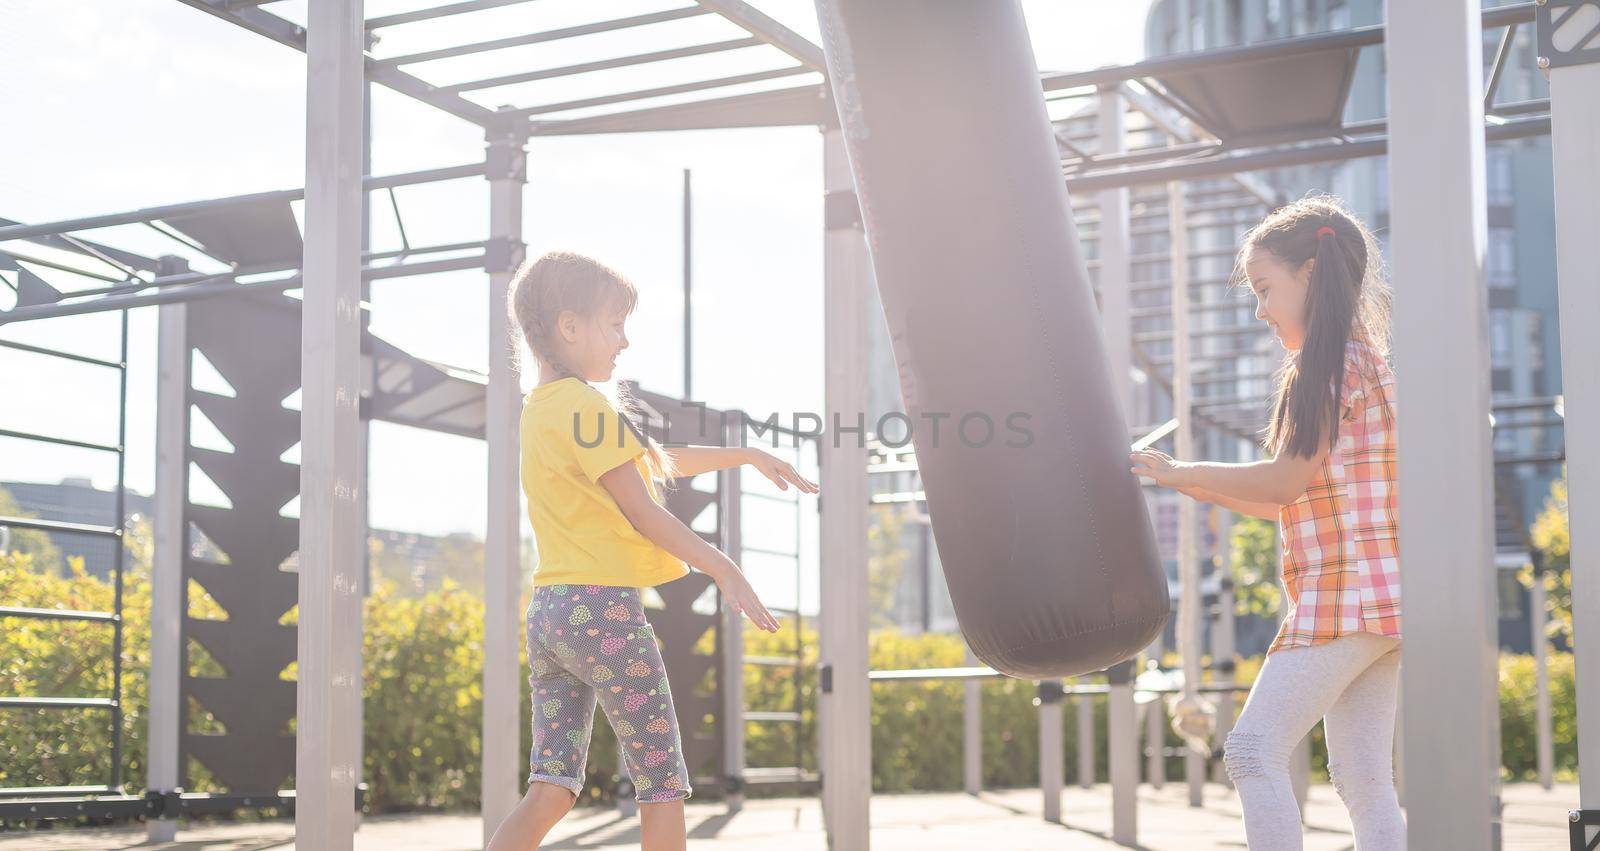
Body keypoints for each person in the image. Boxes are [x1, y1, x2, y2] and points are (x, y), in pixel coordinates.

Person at [486, 250, 817, 851]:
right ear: (569, 326)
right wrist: (722, 565)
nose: (624, 340)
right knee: (661, 783)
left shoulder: (542, 410)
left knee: (552, 787)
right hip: (604, 614)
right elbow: (643, 509)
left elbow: (652, 465)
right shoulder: (586, 404)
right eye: (614, 324)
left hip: (552, 614)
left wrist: (743, 454)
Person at [1129, 196, 1403, 849]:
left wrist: (1181, 468)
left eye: (1264, 288)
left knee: (1252, 750)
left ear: (1309, 273)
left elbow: (1281, 481)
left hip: (1343, 600)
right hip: (1383, 603)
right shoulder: (1368, 364)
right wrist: (1187, 480)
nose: (1259, 309)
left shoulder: (1323, 367)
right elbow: (1292, 497)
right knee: (1364, 778)